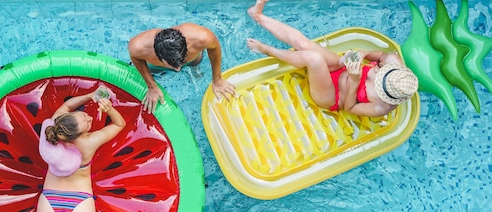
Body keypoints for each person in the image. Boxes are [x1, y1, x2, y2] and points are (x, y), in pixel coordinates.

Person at [246, 0, 418, 117]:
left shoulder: (382, 107)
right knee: (304, 43)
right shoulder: (393, 61)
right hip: (342, 68)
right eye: (380, 72)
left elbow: (349, 108)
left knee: (313, 59)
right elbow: (379, 55)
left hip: (332, 95)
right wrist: (362, 54)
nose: (376, 73)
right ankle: (258, 16)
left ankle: (268, 50)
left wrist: (355, 81)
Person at [128, 22, 236, 113]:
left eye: (181, 63)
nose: (178, 70)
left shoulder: (202, 38)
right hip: (158, 66)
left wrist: (217, 79)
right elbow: (135, 57)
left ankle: (193, 68)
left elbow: (215, 47)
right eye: (171, 65)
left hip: (193, 60)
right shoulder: (139, 47)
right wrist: (151, 86)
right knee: (144, 70)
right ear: (158, 55)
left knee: (195, 64)